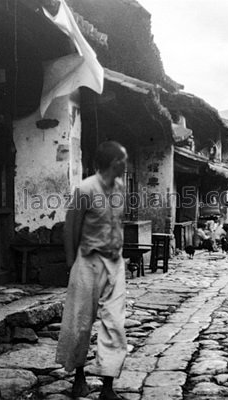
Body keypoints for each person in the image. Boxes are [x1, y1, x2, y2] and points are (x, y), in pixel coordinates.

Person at [55, 141, 128, 400]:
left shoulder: (121, 188)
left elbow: (117, 223)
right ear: (111, 162)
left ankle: (107, 387)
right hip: (87, 262)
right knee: (80, 323)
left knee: (115, 324)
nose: (125, 164)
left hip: (114, 264)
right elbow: (70, 227)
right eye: (122, 159)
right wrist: (70, 264)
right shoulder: (85, 189)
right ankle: (79, 379)